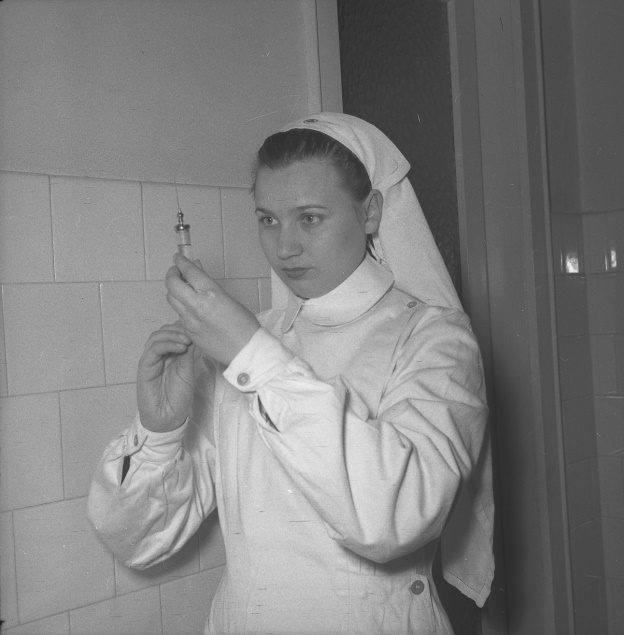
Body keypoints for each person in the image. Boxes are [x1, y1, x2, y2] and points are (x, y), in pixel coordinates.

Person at [87, 113, 494, 634]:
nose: (285, 248)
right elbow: (138, 542)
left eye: (310, 218)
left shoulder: (436, 340)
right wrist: (159, 432)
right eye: (268, 220)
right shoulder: (250, 342)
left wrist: (252, 354)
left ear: (370, 212)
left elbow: (396, 517)